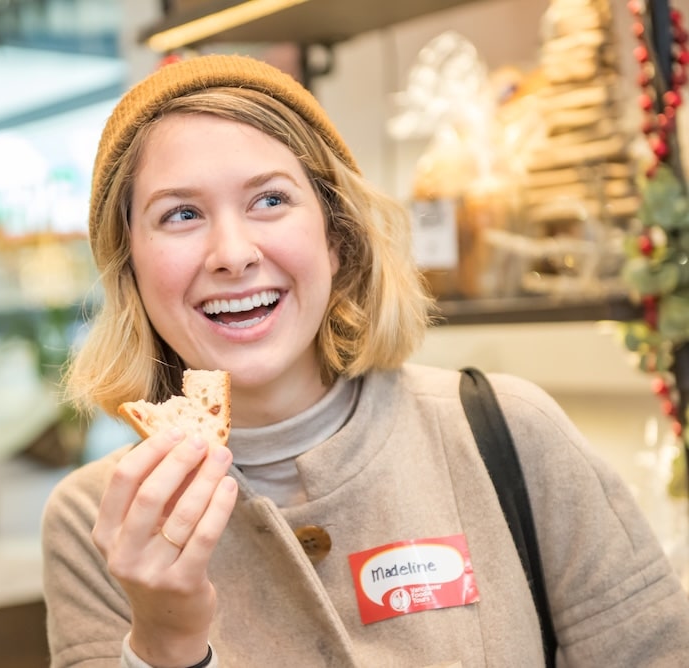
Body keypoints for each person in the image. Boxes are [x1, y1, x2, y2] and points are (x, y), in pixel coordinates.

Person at [40, 52, 689, 668]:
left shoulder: (508, 433)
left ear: (337, 236)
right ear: (129, 268)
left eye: (270, 200)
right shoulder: (91, 522)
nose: (232, 253)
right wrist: (163, 642)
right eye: (181, 214)